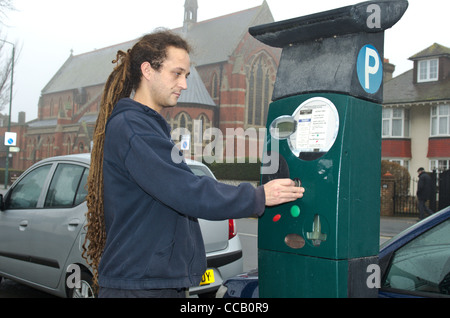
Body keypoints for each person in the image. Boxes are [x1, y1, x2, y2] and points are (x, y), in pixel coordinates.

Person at [83, 29, 305, 298]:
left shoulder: (147, 126)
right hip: (139, 286)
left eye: (186, 76)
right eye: (176, 73)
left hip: (152, 282)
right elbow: (185, 189)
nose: (185, 84)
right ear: (148, 70)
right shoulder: (133, 128)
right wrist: (258, 196)